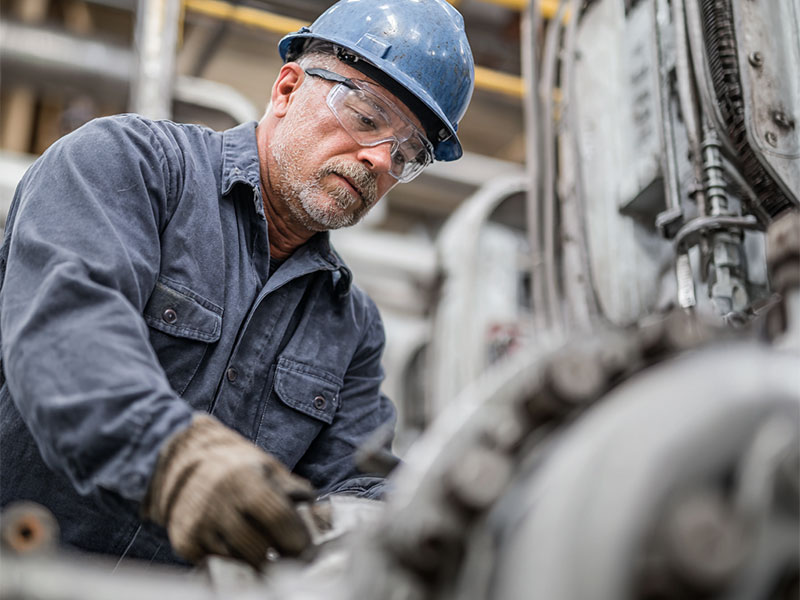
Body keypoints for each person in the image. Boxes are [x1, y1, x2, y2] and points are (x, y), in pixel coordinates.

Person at [0, 0, 474, 569]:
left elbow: (354, 480)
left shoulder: (352, 326)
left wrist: (375, 527)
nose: (378, 159)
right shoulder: (127, 165)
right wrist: (175, 459)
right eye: (367, 118)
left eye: (406, 154)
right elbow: (65, 338)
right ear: (288, 88)